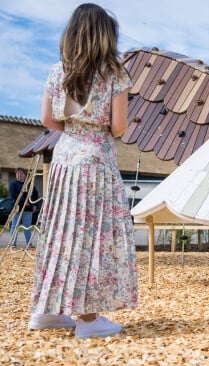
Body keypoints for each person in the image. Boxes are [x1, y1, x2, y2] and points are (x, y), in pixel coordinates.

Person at [30, 3, 138, 339]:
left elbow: (48, 120)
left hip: (64, 158)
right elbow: (118, 127)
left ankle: (47, 311)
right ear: (105, 37)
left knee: (60, 233)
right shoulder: (113, 74)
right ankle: (89, 319)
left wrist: (74, 125)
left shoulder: (56, 70)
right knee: (93, 236)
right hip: (95, 160)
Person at [9, 167, 39, 247]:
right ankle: (13, 244)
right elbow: (13, 195)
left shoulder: (29, 184)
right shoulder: (13, 184)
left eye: (21, 173)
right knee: (14, 226)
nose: (19, 175)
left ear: (25, 175)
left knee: (27, 226)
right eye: (17, 173)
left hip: (28, 209)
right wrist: (24, 201)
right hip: (16, 208)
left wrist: (35, 205)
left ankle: (29, 243)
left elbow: (35, 195)